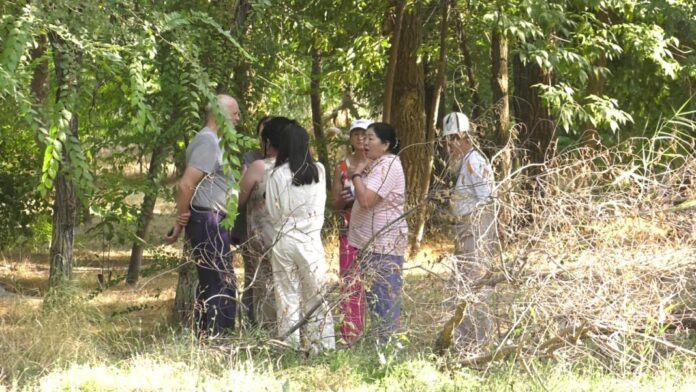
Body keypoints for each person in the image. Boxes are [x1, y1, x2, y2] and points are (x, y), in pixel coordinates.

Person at [164, 94, 241, 336]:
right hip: (209, 220)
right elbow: (186, 184)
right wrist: (180, 218)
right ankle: (219, 340)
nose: (239, 118)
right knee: (221, 282)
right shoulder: (208, 142)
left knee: (212, 281)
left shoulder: (212, 141)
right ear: (219, 115)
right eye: (235, 113)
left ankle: (207, 337)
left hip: (212, 219)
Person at [265, 122, 335, 352]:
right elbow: (321, 205)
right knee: (316, 294)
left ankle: (289, 347)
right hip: (310, 239)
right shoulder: (320, 170)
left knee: (286, 294)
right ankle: (322, 347)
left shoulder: (276, 174)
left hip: (284, 239)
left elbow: (273, 213)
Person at [346, 122, 408, 343]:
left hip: (383, 245)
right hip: (371, 244)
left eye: (370, 138)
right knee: (376, 300)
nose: (364, 142)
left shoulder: (388, 165)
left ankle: (388, 352)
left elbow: (366, 200)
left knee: (384, 301)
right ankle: (380, 348)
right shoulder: (378, 164)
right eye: (364, 138)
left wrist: (355, 175)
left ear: (386, 144)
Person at [440, 111, 497, 351]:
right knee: (462, 284)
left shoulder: (474, 162)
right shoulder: (464, 162)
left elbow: (488, 200)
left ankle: (478, 341)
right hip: (465, 230)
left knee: (474, 285)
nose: (449, 145)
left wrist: (477, 236)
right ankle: (463, 339)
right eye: (446, 140)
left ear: (466, 139)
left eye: (453, 139)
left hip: (476, 230)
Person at [330, 118, 370, 343]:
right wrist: (343, 200)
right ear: (351, 138)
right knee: (350, 282)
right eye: (356, 133)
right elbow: (332, 202)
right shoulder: (342, 167)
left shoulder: (379, 163)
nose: (361, 138)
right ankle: (350, 334)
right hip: (348, 229)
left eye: (365, 134)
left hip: (374, 230)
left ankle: (376, 332)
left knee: (374, 282)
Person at [231, 115, 273, 327]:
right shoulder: (252, 158)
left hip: (278, 230)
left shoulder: (289, 158)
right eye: (262, 134)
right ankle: (251, 323)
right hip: (253, 228)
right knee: (254, 277)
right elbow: (241, 192)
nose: (265, 140)